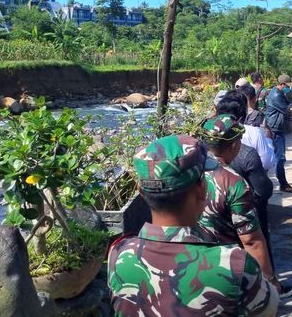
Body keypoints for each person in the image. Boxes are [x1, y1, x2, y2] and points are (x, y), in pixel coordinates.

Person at [108, 135, 278, 316]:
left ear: (141, 193)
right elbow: (270, 309)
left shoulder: (118, 254)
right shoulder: (234, 265)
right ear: (202, 189)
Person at [197, 115, 292, 298]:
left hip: (198, 261)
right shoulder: (232, 182)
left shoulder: (193, 172)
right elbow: (252, 240)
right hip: (229, 264)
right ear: (234, 146)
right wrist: (270, 281)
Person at [216, 92, 277, 268]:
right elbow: (266, 165)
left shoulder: (204, 145)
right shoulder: (249, 146)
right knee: (258, 238)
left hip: (217, 207)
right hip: (251, 201)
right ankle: (268, 280)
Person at [265, 74, 292, 193]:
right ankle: (283, 184)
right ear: (282, 85)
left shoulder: (278, 92)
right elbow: (288, 110)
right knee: (280, 157)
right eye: (288, 86)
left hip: (276, 127)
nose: (290, 89)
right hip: (276, 129)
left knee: (277, 157)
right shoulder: (276, 95)